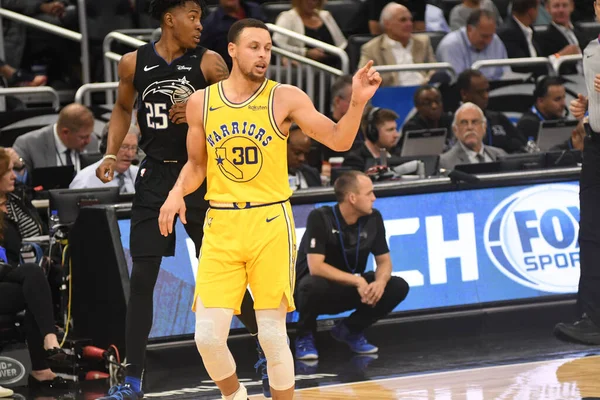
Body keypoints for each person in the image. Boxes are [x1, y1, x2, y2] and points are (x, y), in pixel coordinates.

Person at [158, 18, 381, 400]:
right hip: (222, 223)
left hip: (269, 220)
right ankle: (235, 396)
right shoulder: (202, 102)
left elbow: (338, 140)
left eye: (268, 48)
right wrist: (176, 191)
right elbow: (197, 166)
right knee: (208, 337)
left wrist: (358, 101)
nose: (263, 56)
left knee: (273, 335)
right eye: (254, 47)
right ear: (232, 50)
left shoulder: (285, 97)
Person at [93, 1, 265, 399]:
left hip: (201, 177)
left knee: (226, 277)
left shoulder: (210, 64)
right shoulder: (132, 63)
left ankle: (266, 351)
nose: (201, 25)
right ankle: (133, 379)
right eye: (193, 17)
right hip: (154, 178)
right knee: (142, 280)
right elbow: (121, 109)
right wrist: (109, 151)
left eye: (201, 17)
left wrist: (201, 112)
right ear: (170, 19)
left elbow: (243, 108)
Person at [293, 171, 409, 360]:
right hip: (314, 293)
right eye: (369, 193)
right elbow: (316, 267)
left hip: (351, 289)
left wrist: (379, 282)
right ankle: (304, 336)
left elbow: (384, 261)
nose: (374, 198)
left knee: (397, 286)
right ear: (352, 198)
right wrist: (356, 281)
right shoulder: (320, 217)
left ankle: (350, 330)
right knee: (312, 284)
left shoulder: (373, 218)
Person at [0, 149, 70, 393]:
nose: (14, 176)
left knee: (34, 283)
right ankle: (48, 346)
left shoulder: (16, 203)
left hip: (10, 279)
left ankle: (41, 368)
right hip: (7, 277)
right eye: (8, 170)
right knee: (32, 278)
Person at [553, 0, 600, 345]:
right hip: (596, 146)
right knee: (592, 233)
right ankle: (593, 318)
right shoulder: (592, 48)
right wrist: (584, 112)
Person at [13, 103, 98, 173]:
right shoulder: (28, 144)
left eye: (89, 135)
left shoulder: (92, 141)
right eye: (83, 137)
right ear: (65, 132)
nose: (88, 141)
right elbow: (18, 183)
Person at [71, 126, 139, 193]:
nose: (130, 154)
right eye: (124, 147)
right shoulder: (85, 181)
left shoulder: (141, 176)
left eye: (133, 148)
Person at [439, 102, 507, 170]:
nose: (470, 127)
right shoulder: (445, 162)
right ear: (455, 130)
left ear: (484, 127)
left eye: (474, 122)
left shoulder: (501, 154)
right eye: (464, 122)